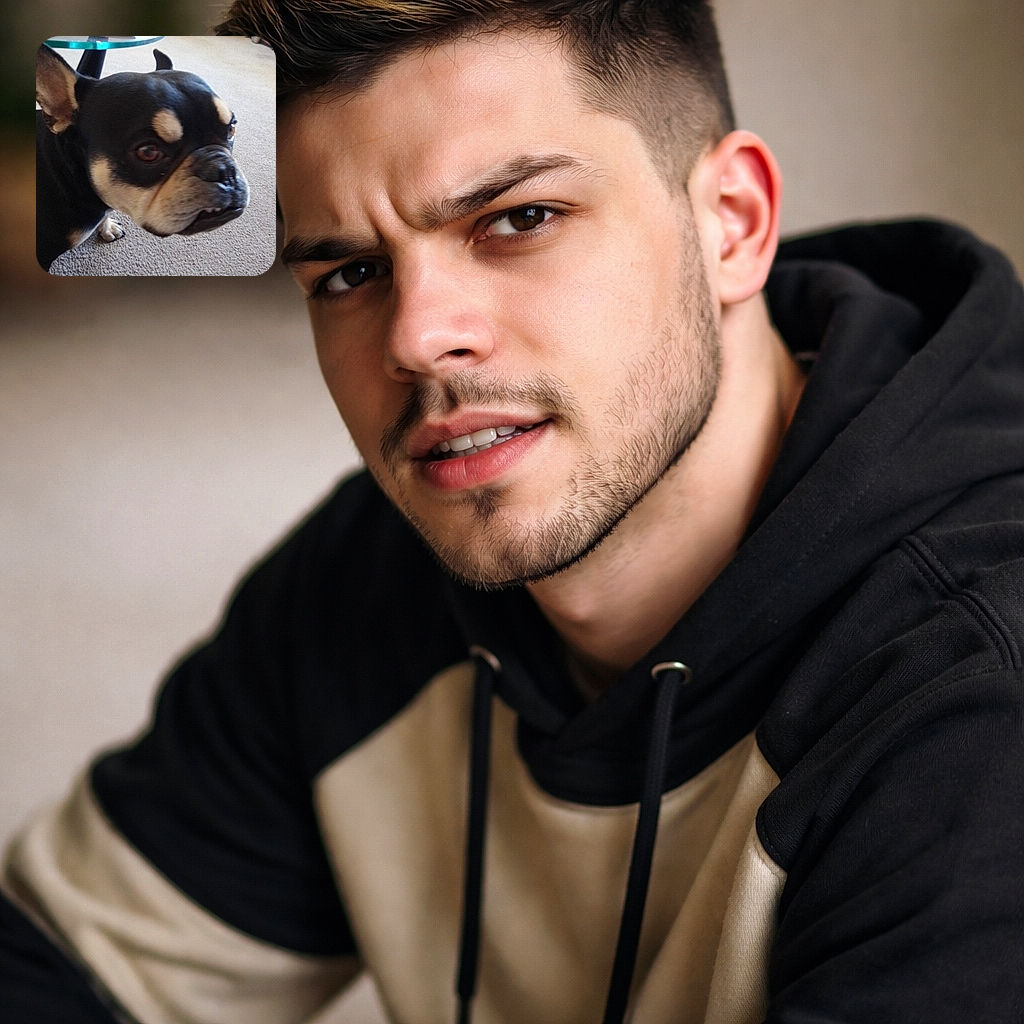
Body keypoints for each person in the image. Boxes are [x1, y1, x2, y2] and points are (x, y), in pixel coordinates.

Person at [4, 1, 1023, 1021]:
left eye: (517, 218)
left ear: (733, 222)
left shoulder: (975, 699)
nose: (416, 336)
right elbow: (62, 969)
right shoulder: (374, 577)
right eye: (350, 272)